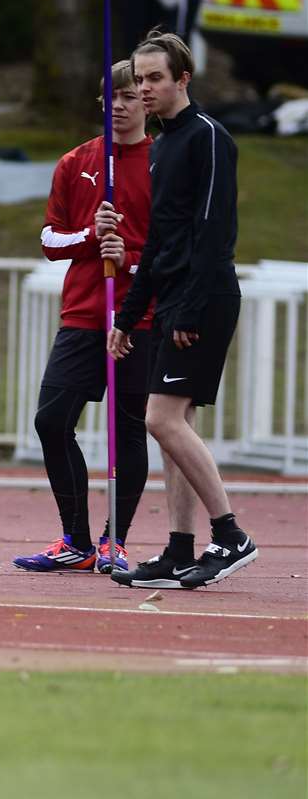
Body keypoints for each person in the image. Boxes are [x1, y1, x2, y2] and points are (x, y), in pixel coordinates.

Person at [108, 31, 254, 590]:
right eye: (139, 79)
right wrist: (129, 314)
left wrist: (189, 312)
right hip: (171, 299)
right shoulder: (164, 145)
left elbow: (213, 232)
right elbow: (163, 242)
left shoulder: (209, 138)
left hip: (206, 298)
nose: (144, 89)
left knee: (160, 419)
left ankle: (232, 535)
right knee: (175, 429)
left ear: (182, 80)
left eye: (154, 79)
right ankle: (178, 550)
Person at [13, 61, 155, 575]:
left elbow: (177, 249)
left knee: (127, 429)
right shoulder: (77, 162)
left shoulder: (164, 163)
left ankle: (116, 540)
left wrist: (133, 257)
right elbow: (51, 239)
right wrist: (94, 237)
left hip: (139, 319)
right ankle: (76, 538)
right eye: (110, 97)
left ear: (147, 101)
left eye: (129, 96)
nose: (119, 105)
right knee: (51, 420)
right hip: (82, 314)